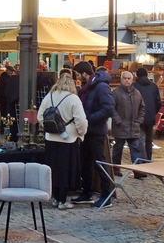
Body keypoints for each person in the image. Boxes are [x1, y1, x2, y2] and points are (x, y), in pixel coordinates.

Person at [40, 72, 87, 209]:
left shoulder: (49, 96)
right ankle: (62, 200)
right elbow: (81, 121)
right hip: (69, 139)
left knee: (53, 168)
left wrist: (49, 127)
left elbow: (40, 116)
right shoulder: (74, 99)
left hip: (51, 138)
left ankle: (54, 197)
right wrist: (81, 133)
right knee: (66, 170)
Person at [75, 63, 115, 207]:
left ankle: (107, 195)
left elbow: (109, 108)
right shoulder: (88, 87)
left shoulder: (101, 87)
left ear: (84, 73)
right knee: (85, 163)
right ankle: (87, 192)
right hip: (87, 131)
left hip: (96, 131)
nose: (77, 77)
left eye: (78, 74)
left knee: (100, 163)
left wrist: (89, 118)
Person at [110, 70, 145, 176]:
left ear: (132, 80)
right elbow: (111, 108)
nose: (127, 80)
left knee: (135, 149)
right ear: (121, 80)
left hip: (134, 126)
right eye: (125, 78)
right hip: (120, 127)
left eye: (129, 78)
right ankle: (116, 169)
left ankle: (137, 171)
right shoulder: (116, 93)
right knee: (118, 149)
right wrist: (118, 120)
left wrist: (139, 120)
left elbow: (142, 108)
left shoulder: (137, 93)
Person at [134, 67, 161, 162]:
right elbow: (158, 102)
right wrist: (153, 112)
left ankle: (142, 162)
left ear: (137, 75)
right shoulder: (153, 86)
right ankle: (148, 160)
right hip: (150, 117)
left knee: (140, 140)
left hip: (138, 117)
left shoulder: (134, 86)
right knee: (149, 141)